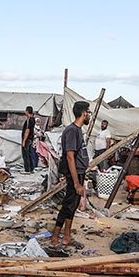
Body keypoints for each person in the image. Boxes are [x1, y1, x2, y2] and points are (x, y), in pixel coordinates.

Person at [50, 100, 90, 249]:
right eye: (88, 113)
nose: (89, 116)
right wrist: (76, 183)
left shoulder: (78, 130)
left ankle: (66, 237)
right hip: (75, 176)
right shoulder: (72, 131)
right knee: (67, 206)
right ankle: (54, 240)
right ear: (83, 113)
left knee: (72, 207)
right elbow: (70, 157)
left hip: (79, 173)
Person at [21, 106, 35, 173]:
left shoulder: (29, 119)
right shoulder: (33, 119)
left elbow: (27, 130)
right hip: (31, 139)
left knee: (25, 154)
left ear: (27, 111)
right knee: (29, 153)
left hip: (27, 139)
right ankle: (31, 168)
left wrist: (24, 140)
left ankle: (27, 169)